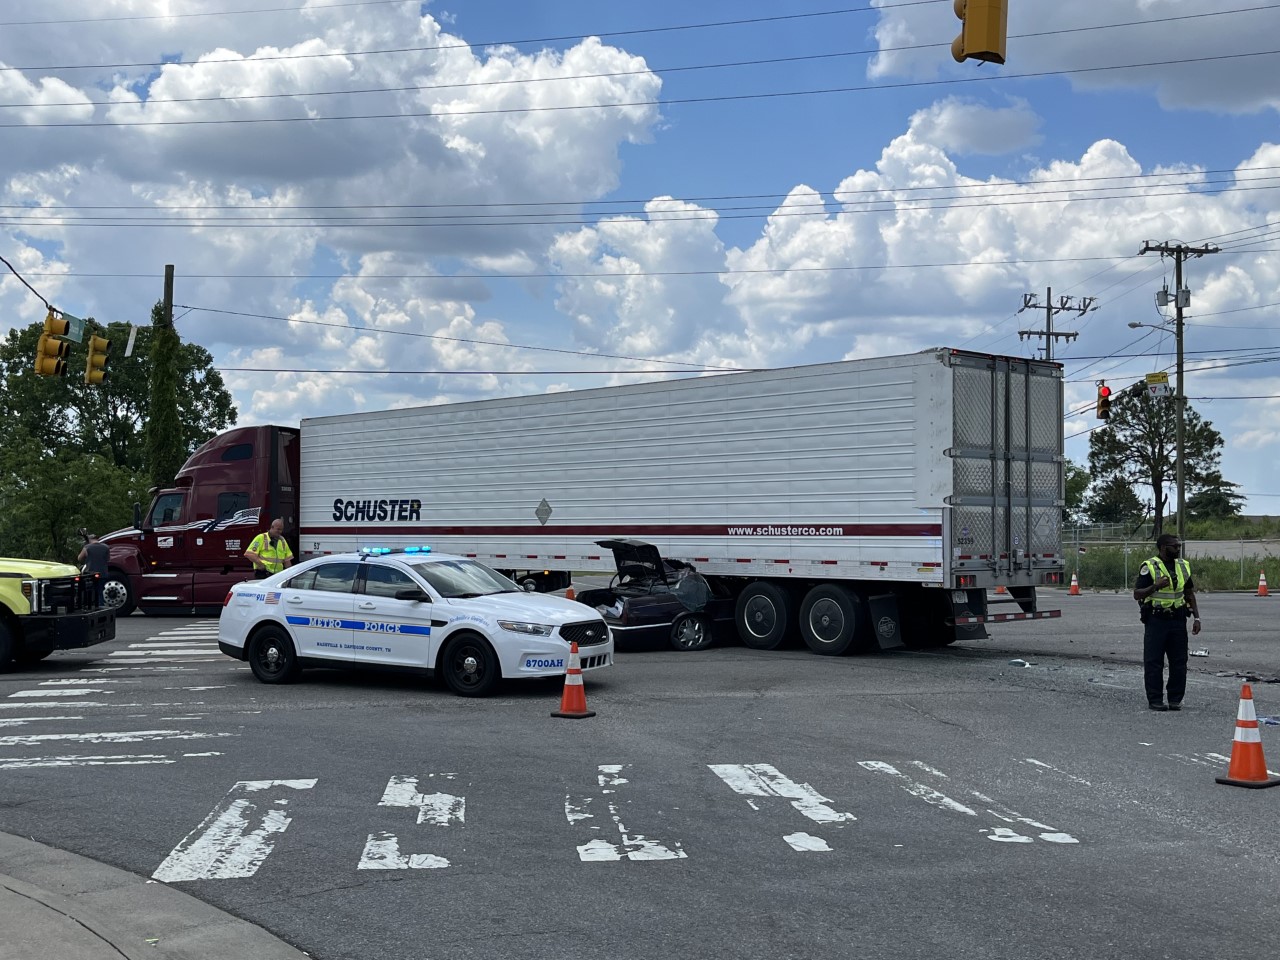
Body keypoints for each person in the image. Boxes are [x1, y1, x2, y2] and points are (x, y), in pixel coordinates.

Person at [1133, 533, 1201, 711]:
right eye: (1175, 546)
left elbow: (1189, 593)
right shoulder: (1149, 566)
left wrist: (1197, 617)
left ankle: (1175, 699)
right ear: (1163, 548)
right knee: (1154, 661)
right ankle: (1155, 700)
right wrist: (1155, 586)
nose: (1178, 549)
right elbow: (1137, 594)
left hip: (1178, 619)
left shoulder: (1183, 566)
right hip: (1156, 619)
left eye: (1179, 546)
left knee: (1179, 661)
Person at [77, 533, 110, 607]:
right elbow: (108, 559)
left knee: (90, 590)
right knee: (100, 590)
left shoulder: (87, 547)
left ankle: (89, 606)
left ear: (89, 539)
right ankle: (101, 606)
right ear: (97, 539)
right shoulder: (106, 547)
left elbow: (79, 558)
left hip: (90, 573)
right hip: (103, 572)